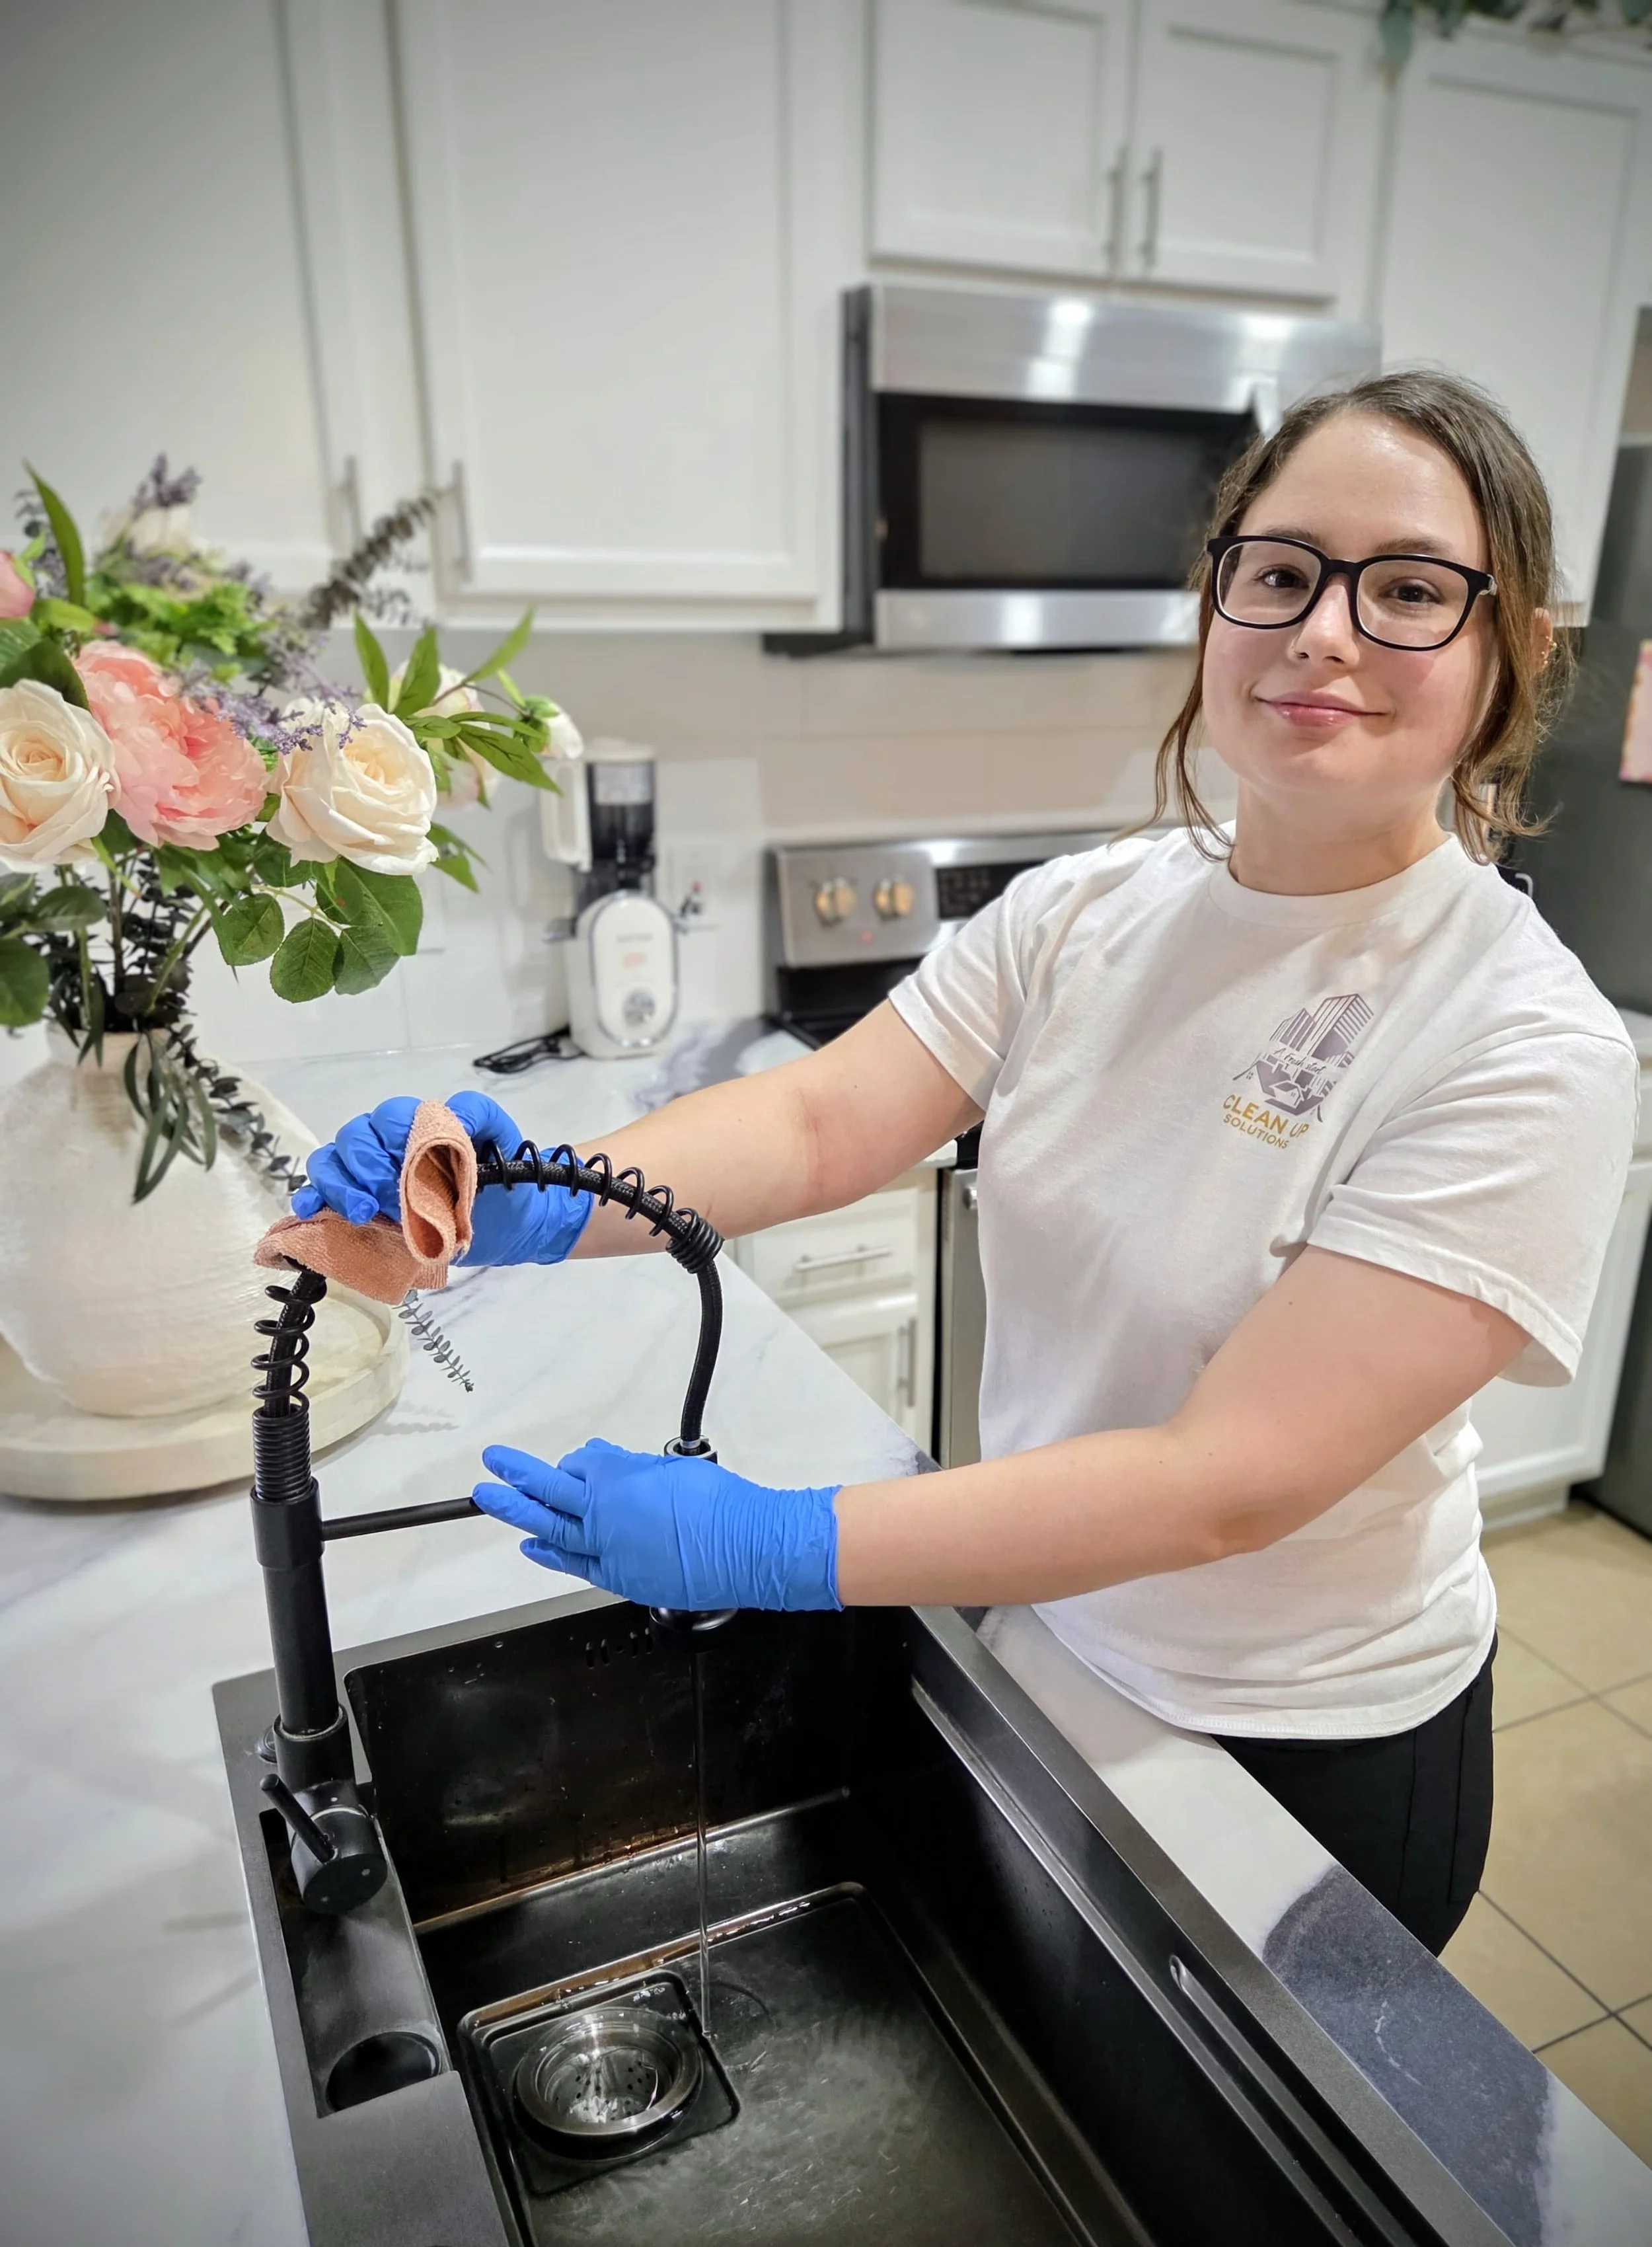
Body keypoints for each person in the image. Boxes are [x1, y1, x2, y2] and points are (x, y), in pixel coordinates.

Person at [297, 371, 1639, 1955]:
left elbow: (1227, 1481)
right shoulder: (1094, 908)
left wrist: (783, 1540)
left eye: (1407, 589)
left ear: (1513, 654)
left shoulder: (1519, 1039)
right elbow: (818, 1121)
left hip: (1301, 1743)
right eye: (1277, 572)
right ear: (1214, 601)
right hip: (1054, 1631)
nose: (1322, 631)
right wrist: (539, 1194)